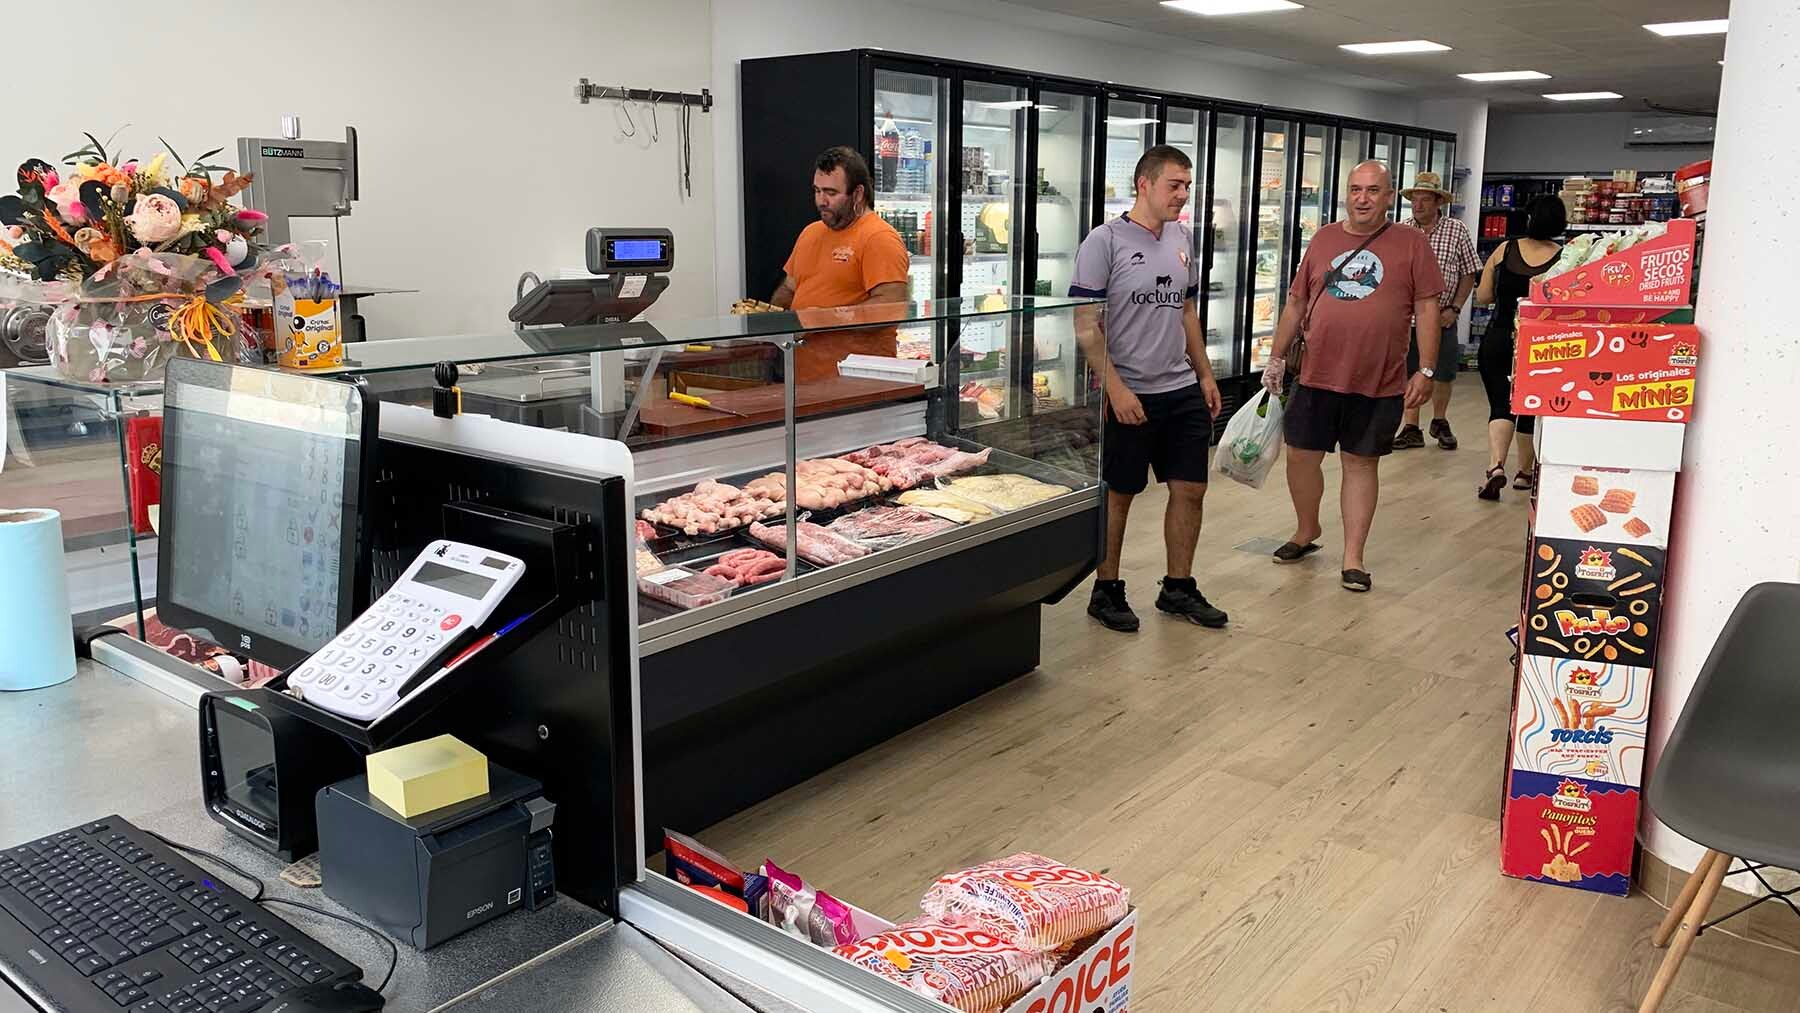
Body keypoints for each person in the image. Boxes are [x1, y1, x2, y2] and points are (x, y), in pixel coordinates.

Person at [1262, 160, 1443, 593]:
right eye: (1356, 189)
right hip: (1315, 373)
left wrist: (1426, 369)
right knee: (1300, 456)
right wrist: (1276, 356)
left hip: (1378, 378)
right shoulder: (1324, 238)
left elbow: (1427, 309)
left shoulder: (1412, 243)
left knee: (1360, 463)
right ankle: (1307, 529)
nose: (1362, 199)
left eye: (1373, 190)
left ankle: (1353, 557)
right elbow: (1296, 301)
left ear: (1389, 197)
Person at [1070, 144, 1226, 633]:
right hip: (1129, 391)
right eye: (1174, 185)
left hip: (1180, 387)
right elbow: (1085, 326)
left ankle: (1178, 587)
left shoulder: (1183, 237)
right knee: (1120, 494)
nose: (1183, 195)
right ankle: (1106, 589)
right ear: (1144, 184)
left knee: (1191, 489)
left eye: (1187, 186)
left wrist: (1204, 373)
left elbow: (1186, 311)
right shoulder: (1104, 241)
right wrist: (1115, 389)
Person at [771, 146, 911, 380]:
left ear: (858, 194)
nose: (821, 201)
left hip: (857, 383)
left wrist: (822, 319)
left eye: (831, 192)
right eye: (817, 191)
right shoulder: (810, 232)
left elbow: (889, 308)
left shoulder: (879, 238)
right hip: (803, 380)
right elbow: (789, 288)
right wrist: (771, 319)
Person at [1474, 195, 1566, 499]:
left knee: (1500, 404)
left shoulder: (1505, 249)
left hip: (1500, 335)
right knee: (1531, 407)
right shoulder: (1565, 259)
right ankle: (1525, 473)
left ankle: (1495, 466)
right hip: (1542, 342)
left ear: (1529, 218)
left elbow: (1483, 296)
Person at [1394, 171, 1481, 451]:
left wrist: (1455, 308)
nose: (1418, 205)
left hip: (1443, 315)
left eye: (1425, 200)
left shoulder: (1456, 230)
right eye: (1414, 200)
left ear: (1438, 202)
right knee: (1409, 370)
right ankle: (1411, 427)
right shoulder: (1401, 231)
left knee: (1443, 371)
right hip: (1407, 317)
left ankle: (1440, 420)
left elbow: (1469, 272)